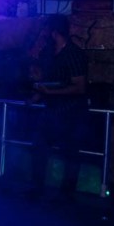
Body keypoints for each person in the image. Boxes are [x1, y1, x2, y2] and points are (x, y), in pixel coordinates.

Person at [30, 14, 88, 197]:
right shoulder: (49, 53)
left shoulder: (74, 54)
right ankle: (37, 189)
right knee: (39, 147)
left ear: (54, 32)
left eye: (47, 30)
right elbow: (47, 79)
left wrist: (50, 92)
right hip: (52, 110)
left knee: (70, 154)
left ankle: (66, 195)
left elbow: (79, 87)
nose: (44, 33)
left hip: (71, 113)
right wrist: (37, 92)